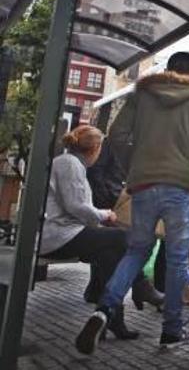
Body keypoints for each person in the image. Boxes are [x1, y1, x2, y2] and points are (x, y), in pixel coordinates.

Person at [76, 51, 189, 355]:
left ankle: (103, 310)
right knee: (178, 258)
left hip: (143, 185)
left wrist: (134, 166)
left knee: (136, 250)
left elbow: (116, 135)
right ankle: (171, 331)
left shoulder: (142, 95)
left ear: (168, 70)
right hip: (180, 186)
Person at [41, 125, 143, 340]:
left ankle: (110, 317)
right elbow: (77, 206)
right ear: (95, 148)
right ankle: (141, 286)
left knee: (109, 256)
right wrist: (106, 215)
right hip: (59, 235)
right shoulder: (71, 165)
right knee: (122, 237)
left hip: (63, 232)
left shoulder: (68, 162)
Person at [83, 142, 164, 309]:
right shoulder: (111, 144)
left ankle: (98, 290)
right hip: (112, 204)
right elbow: (96, 173)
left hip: (122, 201)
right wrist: (108, 204)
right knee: (127, 245)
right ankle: (139, 287)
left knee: (119, 247)